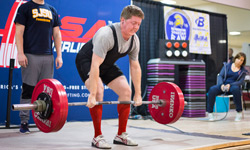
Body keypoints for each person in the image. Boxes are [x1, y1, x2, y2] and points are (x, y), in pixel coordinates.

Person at [75, 5, 144, 149]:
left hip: (106, 64)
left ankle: (121, 135)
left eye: (138, 24)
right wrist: (93, 94)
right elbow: (95, 65)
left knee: (126, 91)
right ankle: (97, 137)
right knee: (99, 90)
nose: (136, 27)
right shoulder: (107, 34)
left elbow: (135, 67)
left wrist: (138, 94)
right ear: (123, 20)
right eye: (133, 23)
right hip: (88, 61)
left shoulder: (134, 40)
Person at [15, 0, 63, 133]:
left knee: (47, 92)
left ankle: (43, 120)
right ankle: (24, 122)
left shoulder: (52, 10)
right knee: (28, 89)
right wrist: (20, 53)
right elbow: (18, 32)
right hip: (30, 55)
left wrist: (59, 55)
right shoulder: (25, 8)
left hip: (48, 56)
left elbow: (57, 34)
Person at [207, 52, 247, 122]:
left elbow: (241, 82)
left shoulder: (243, 71)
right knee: (212, 89)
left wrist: (230, 85)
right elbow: (220, 76)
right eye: (238, 59)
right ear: (235, 58)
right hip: (223, 85)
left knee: (236, 89)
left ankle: (239, 112)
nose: (240, 61)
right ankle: (210, 113)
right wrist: (222, 85)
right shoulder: (227, 66)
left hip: (233, 86)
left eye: (242, 60)